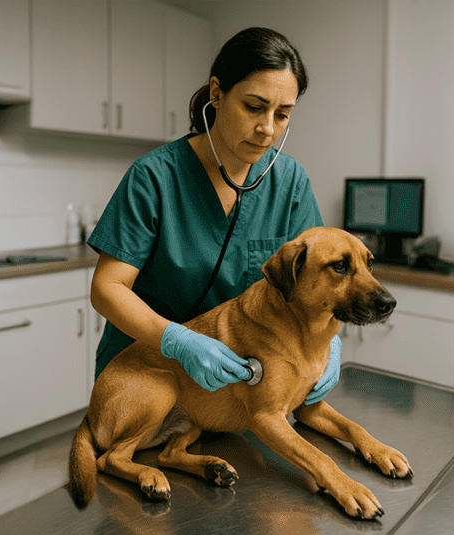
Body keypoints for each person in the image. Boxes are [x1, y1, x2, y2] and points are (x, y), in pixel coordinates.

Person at [86, 27, 340, 404]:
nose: (267, 128)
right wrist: (179, 342)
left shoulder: (290, 183)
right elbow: (107, 288)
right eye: (254, 107)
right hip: (146, 375)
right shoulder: (154, 177)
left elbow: (316, 282)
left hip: (236, 387)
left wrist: (330, 346)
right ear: (217, 93)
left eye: (283, 114)